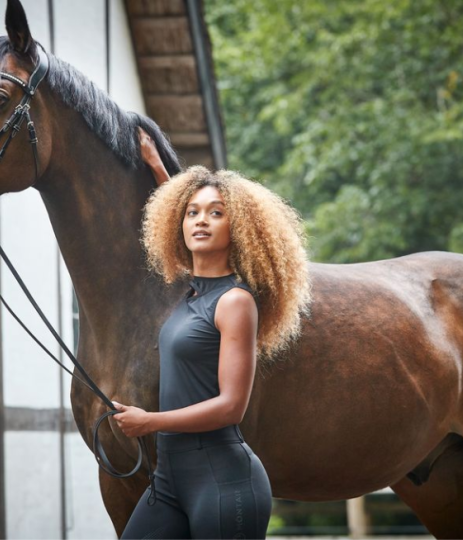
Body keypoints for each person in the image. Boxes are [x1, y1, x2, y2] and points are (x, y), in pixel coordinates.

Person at [113, 130, 311, 539]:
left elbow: (231, 407)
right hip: (168, 484)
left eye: (217, 213)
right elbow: (179, 206)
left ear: (239, 230)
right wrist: (155, 165)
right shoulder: (189, 294)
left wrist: (151, 422)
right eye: (191, 212)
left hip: (224, 483)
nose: (201, 220)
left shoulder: (235, 302)